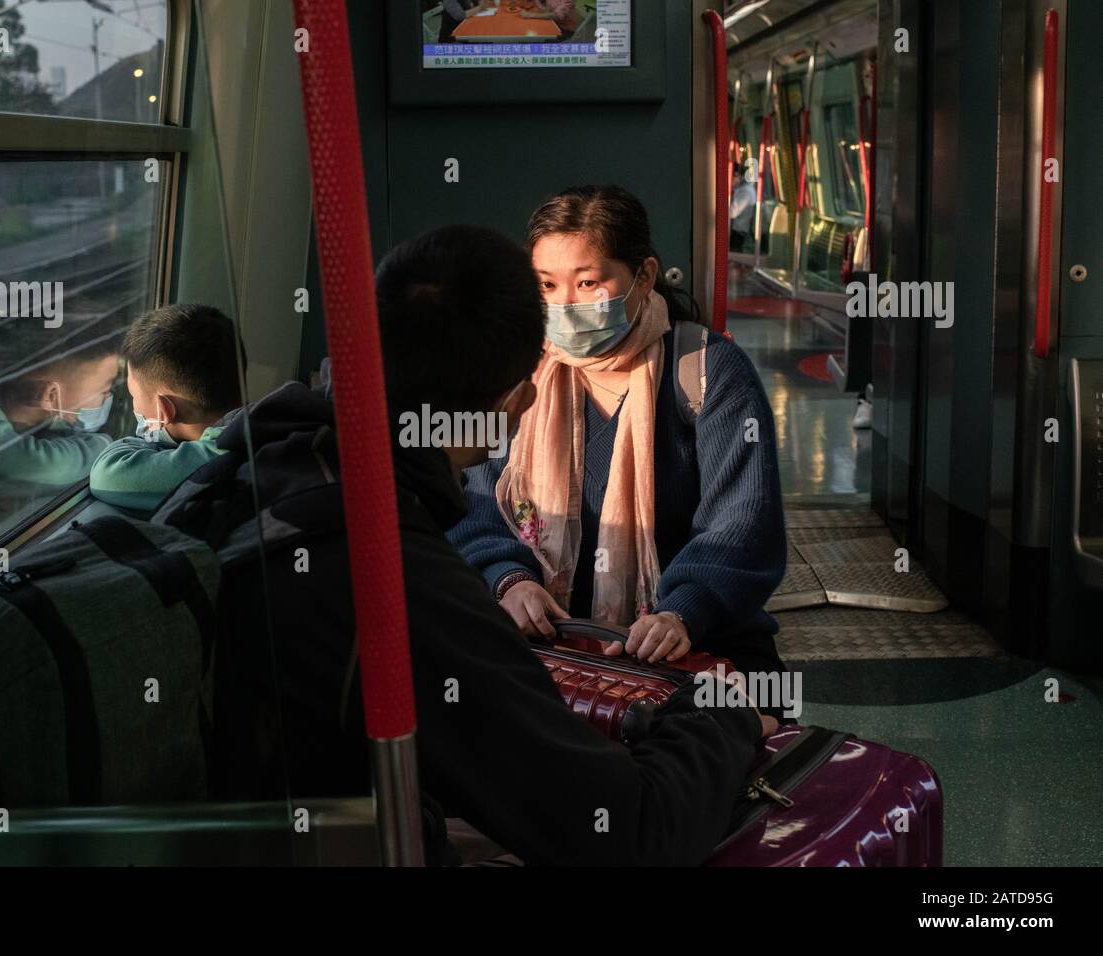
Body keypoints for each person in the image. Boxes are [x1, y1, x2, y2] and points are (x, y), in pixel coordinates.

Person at [168, 225, 775, 866]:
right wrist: (724, 716)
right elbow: (627, 831)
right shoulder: (393, 572)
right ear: (518, 401)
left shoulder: (243, 469)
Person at [448, 185, 789, 706]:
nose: (564, 306)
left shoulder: (707, 373)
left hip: (693, 645)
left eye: (588, 283)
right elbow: (474, 496)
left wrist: (683, 611)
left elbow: (743, 523)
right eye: (546, 285)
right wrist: (508, 579)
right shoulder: (516, 370)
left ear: (644, 276)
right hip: (549, 645)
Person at [89, 304, 245, 513]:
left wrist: (154, 435)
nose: (132, 405)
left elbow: (107, 476)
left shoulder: (220, 458)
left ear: (163, 410)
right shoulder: (257, 425)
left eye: (134, 395)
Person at [0, 328, 119, 491]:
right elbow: (44, 465)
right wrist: (106, 444)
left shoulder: (29, 417)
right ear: (50, 396)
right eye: (104, 390)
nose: (108, 397)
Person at [730, 166, 757, 251]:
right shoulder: (742, 189)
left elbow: (732, 212)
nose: (731, 180)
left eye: (733, 177)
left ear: (740, 177)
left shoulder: (746, 192)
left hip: (738, 233)